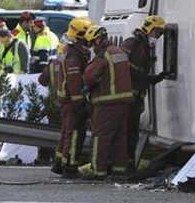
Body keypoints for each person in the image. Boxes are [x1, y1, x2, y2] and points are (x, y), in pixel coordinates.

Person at [38, 17, 92, 178]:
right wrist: (79, 102)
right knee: (74, 134)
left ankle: (59, 163)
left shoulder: (69, 50)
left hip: (65, 99)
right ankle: (70, 167)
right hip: (71, 100)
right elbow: (74, 81)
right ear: (82, 35)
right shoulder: (74, 54)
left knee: (67, 132)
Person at [79, 25, 133, 179]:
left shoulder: (103, 55)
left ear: (97, 40)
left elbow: (89, 77)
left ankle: (98, 171)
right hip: (124, 100)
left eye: (90, 44)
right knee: (119, 136)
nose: (91, 48)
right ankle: (119, 170)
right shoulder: (119, 51)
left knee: (100, 136)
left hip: (107, 101)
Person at [121, 15, 169, 171]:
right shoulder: (133, 43)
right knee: (127, 132)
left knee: (132, 132)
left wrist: (157, 78)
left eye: (160, 34)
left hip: (136, 97)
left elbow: (141, 76)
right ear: (148, 29)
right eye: (156, 33)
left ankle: (129, 164)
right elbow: (122, 68)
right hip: (128, 97)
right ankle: (122, 165)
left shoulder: (145, 48)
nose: (157, 37)